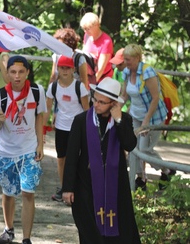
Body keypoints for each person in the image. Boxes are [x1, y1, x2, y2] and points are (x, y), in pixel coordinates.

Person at [62, 77, 140, 244]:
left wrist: (118, 120)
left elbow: (130, 145)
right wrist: (67, 188)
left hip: (115, 186)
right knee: (90, 233)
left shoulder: (124, 120)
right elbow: (72, 156)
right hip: (86, 184)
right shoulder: (81, 120)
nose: (95, 104)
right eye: (94, 99)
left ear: (113, 104)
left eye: (102, 102)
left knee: (119, 232)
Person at [0, 56, 46, 244]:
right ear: (7, 74)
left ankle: (27, 238)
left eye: (21, 72)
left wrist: (40, 144)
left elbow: (39, 117)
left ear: (27, 73)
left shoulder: (37, 92)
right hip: (6, 151)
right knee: (8, 193)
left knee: (28, 192)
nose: (17, 76)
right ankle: (9, 229)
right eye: (13, 72)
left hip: (29, 150)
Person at [119, 44, 174, 190]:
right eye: (125, 59)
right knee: (132, 147)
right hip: (135, 115)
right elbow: (124, 96)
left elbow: (155, 98)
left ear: (137, 58)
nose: (126, 62)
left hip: (153, 117)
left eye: (128, 59)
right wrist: (115, 108)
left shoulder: (147, 72)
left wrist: (146, 121)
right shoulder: (126, 72)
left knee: (144, 150)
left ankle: (167, 170)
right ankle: (139, 178)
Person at [44, 56, 89, 202]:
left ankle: (75, 187)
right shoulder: (53, 87)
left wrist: (88, 130)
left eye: (67, 68)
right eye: (62, 67)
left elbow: (86, 109)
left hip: (76, 128)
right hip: (61, 127)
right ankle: (64, 187)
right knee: (61, 158)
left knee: (75, 158)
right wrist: (44, 129)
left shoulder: (79, 86)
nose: (64, 70)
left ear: (73, 70)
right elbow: (48, 108)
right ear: (57, 69)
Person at [80, 12, 114, 82]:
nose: (85, 31)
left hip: (102, 80)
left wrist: (90, 85)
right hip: (87, 76)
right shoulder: (86, 36)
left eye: (88, 28)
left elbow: (100, 70)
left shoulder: (106, 41)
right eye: (84, 28)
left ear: (97, 25)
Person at [109, 48, 130, 112]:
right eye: (116, 64)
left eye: (120, 64)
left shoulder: (133, 75)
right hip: (120, 105)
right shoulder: (117, 71)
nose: (117, 66)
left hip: (130, 107)